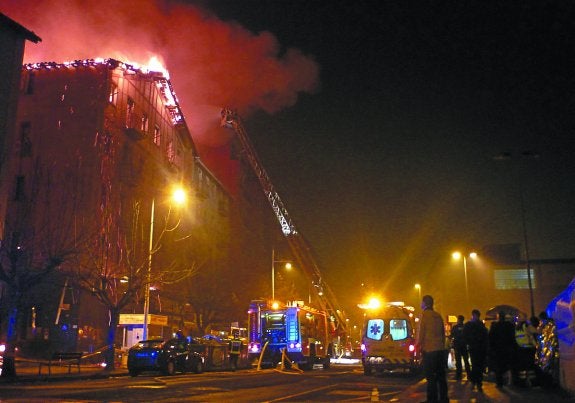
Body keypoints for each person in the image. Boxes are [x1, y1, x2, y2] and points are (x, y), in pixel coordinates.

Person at [416, 295, 449, 403]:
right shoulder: (438, 316)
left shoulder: (424, 315)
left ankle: (432, 399)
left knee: (430, 377)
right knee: (441, 376)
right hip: (440, 350)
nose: (421, 304)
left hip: (429, 350)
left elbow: (421, 333)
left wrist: (418, 346)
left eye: (422, 302)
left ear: (425, 303)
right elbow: (443, 334)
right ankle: (444, 398)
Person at [488, 311, 517, 387]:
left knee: (498, 366)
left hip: (497, 349)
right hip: (507, 348)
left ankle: (499, 382)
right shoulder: (509, 325)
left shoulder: (494, 326)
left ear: (498, 317)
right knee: (508, 365)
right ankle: (510, 381)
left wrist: (491, 348)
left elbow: (491, 337)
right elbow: (513, 337)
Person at [463, 309, 488, 392]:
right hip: (479, 348)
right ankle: (478, 383)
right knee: (478, 365)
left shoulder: (469, 325)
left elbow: (465, 336)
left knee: (475, 365)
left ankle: (474, 382)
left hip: (473, 347)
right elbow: (485, 336)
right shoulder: (481, 325)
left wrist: (468, 343)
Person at [450, 314, 471, 381]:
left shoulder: (455, 327)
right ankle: (469, 375)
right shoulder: (465, 327)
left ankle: (459, 375)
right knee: (466, 361)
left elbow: (451, 335)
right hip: (464, 346)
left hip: (457, 346)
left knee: (458, 362)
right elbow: (468, 336)